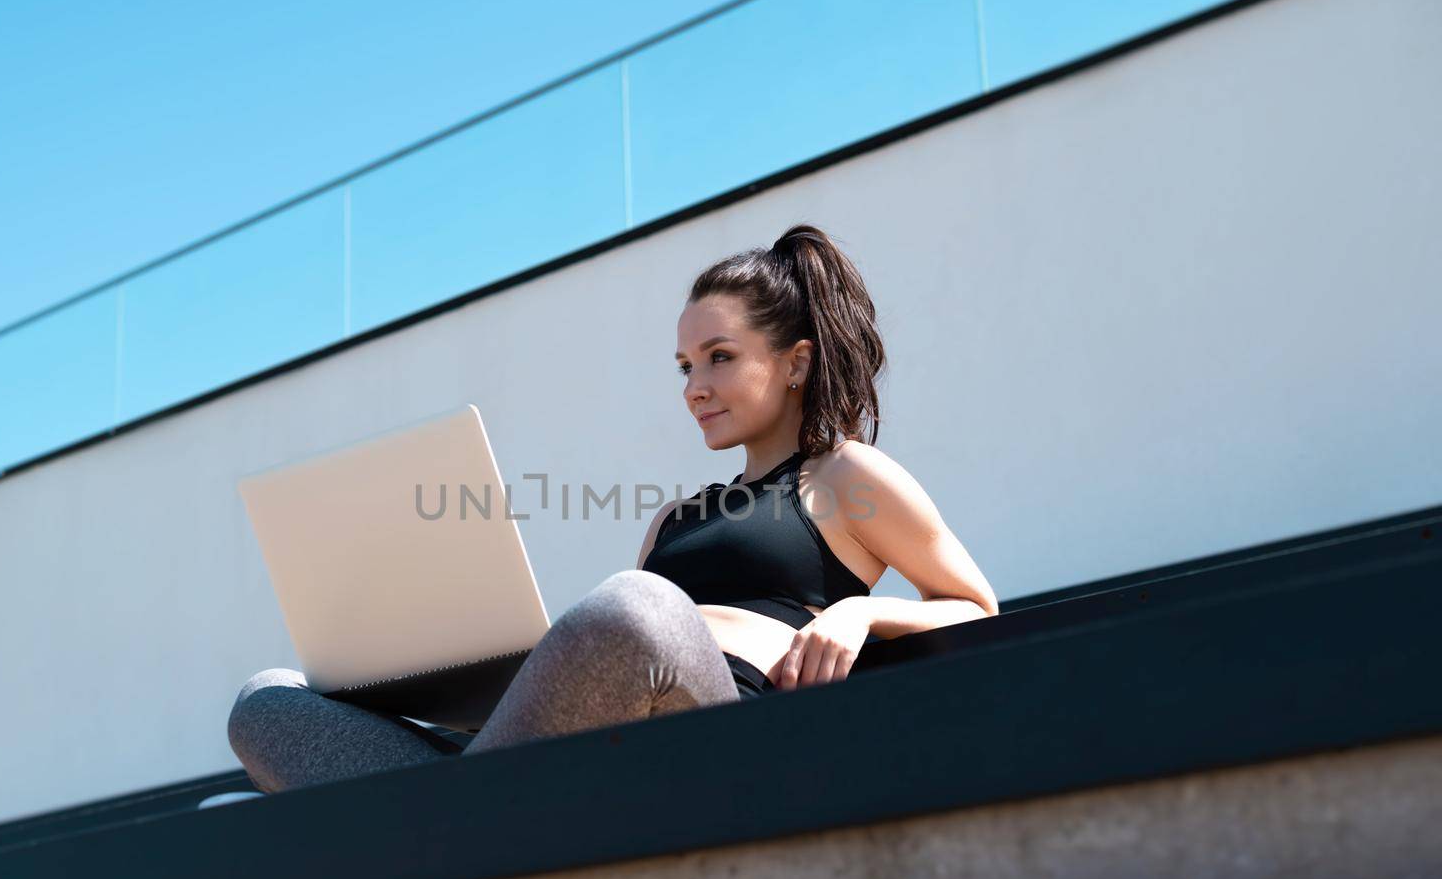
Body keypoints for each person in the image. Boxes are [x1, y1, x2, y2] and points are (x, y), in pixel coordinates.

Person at [227, 223, 999, 793]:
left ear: (795, 363)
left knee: (634, 607)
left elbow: (974, 603)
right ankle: (460, 799)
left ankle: (440, 803)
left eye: (720, 358)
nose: (694, 386)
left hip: (720, 725)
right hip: (586, 741)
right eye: (684, 366)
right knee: (265, 700)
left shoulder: (842, 476)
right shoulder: (670, 520)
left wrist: (863, 616)